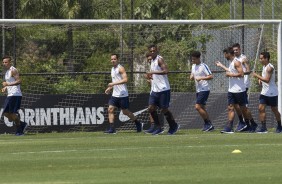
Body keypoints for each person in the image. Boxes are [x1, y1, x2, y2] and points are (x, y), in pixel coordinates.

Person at [215, 47, 254, 133]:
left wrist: (230, 75)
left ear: (229, 54)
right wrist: (221, 66)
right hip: (231, 90)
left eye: (225, 54)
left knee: (244, 108)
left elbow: (241, 74)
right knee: (230, 107)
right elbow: (230, 71)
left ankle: (253, 124)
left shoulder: (236, 62)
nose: (224, 56)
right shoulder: (232, 63)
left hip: (239, 90)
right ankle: (229, 127)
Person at [145, 44, 179, 135]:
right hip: (155, 89)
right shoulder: (152, 60)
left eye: (154, 51)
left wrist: (153, 72)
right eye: (151, 51)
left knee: (164, 109)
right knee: (151, 108)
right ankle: (158, 127)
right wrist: (150, 76)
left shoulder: (159, 59)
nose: (152, 52)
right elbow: (154, 74)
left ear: (157, 50)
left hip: (163, 89)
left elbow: (166, 71)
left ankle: (173, 126)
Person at [104, 54, 143, 134]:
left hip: (123, 95)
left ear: (117, 60)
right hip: (115, 95)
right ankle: (112, 129)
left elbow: (125, 80)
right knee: (110, 109)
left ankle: (137, 123)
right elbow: (115, 81)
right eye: (111, 59)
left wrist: (113, 84)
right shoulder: (112, 69)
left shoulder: (120, 68)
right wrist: (110, 88)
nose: (113, 61)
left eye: (114, 59)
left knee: (125, 112)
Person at [252, 52, 282, 133]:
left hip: (272, 92)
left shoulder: (269, 67)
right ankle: (263, 128)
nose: (260, 60)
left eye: (261, 58)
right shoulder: (264, 66)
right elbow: (264, 78)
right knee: (260, 108)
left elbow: (267, 80)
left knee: (274, 109)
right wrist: (260, 80)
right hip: (264, 92)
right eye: (260, 58)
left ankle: (280, 126)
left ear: (266, 59)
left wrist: (257, 76)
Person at [232, 43, 257, 132]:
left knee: (243, 107)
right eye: (234, 50)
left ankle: (252, 123)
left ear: (240, 49)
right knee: (237, 106)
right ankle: (245, 123)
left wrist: (239, 73)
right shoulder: (234, 59)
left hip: (243, 85)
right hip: (236, 86)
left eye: (236, 50)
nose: (235, 51)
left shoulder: (243, 58)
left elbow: (248, 71)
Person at [1, 56, 28, 136]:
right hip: (10, 94)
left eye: (6, 62)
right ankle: (22, 124)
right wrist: (5, 88)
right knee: (6, 113)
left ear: (10, 62)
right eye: (3, 62)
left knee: (12, 114)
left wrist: (8, 84)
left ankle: (19, 131)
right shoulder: (6, 72)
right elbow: (10, 83)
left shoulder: (13, 70)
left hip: (15, 94)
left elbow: (19, 81)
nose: (4, 64)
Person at [190, 51, 214, 132]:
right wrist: (191, 76)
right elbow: (192, 74)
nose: (192, 61)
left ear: (198, 58)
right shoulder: (193, 66)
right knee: (202, 108)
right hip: (198, 90)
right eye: (192, 59)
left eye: (194, 59)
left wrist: (201, 78)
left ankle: (208, 124)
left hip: (204, 89)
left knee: (197, 107)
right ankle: (209, 125)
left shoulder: (203, 66)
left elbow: (211, 76)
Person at [144, 52, 157, 134]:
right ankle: (153, 126)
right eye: (148, 59)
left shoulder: (156, 65)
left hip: (160, 91)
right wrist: (148, 79)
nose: (149, 60)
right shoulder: (150, 67)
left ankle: (173, 124)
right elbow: (151, 81)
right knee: (151, 108)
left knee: (164, 109)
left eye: (150, 58)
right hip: (153, 91)